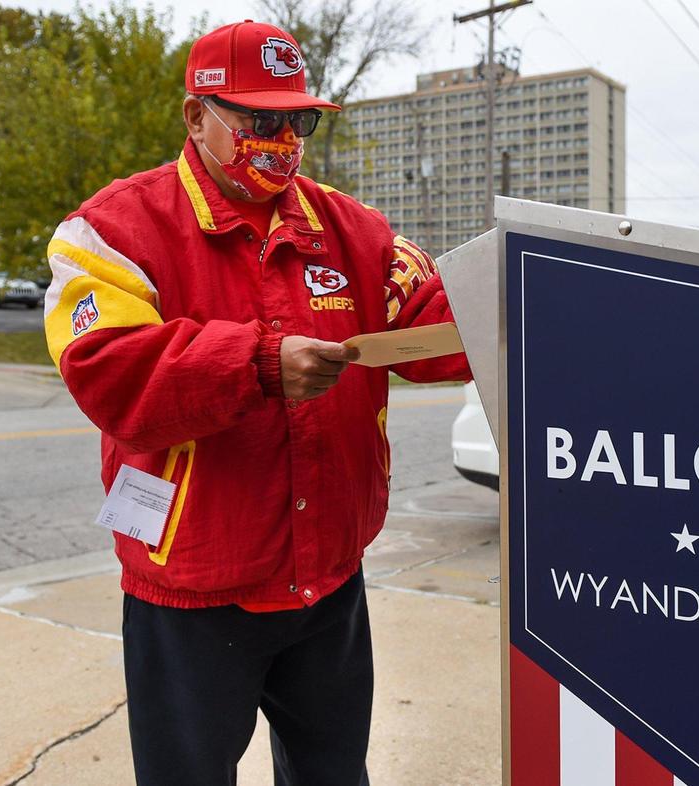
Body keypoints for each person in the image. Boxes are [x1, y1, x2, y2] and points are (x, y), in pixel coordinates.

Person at [42, 19, 470, 786]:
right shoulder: (110, 231)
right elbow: (106, 370)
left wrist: (537, 303)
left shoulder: (355, 230)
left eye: (297, 119)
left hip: (330, 580)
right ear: (195, 115)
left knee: (333, 774)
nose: (282, 137)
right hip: (194, 590)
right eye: (259, 118)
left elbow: (442, 323)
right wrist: (258, 362)